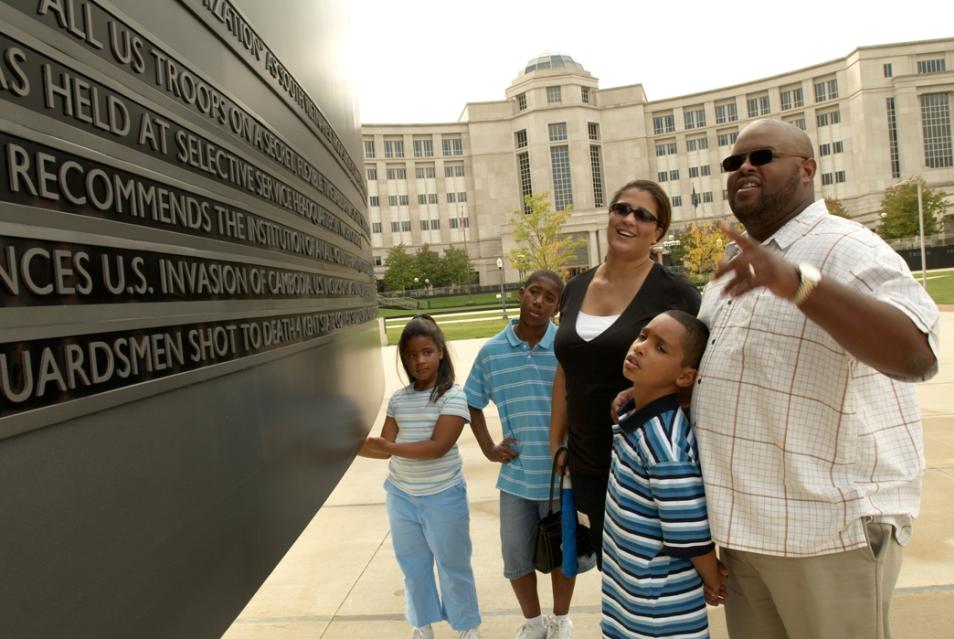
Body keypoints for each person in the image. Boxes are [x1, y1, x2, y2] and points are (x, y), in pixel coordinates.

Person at [692, 119, 940, 639]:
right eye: (733, 163)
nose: (744, 168)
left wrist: (799, 284)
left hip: (829, 533)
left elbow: (916, 354)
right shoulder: (733, 267)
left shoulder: (846, 246)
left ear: (806, 170)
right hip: (746, 534)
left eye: (761, 156)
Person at [551, 179, 701, 567]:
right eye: (621, 209)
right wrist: (557, 443)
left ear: (658, 231)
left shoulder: (676, 294)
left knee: (654, 582)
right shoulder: (575, 288)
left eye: (642, 215)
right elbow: (566, 370)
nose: (628, 219)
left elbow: (697, 376)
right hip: (587, 465)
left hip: (646, 467)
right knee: (614, 579)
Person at [465, 270, 592, 639]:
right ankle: (534, 623)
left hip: (560, 476)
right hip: (517, 479)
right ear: (521, 294)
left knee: (563, 556)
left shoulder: (565, 348)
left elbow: (584, 400)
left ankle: (561, 619)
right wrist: (489, 448)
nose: (539, 301)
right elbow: (472, 402)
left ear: (557, 307)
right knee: (516, 558)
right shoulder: (492, 352)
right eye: (534, 292)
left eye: (549, 297)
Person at [602, 310, 725, 639]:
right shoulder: (634, 417)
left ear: (685, 377)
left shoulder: (664, 445)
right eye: (643, 336)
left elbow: (689, 531)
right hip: (627, 598)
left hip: (661, 612)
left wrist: (713, 580)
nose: (641, 347)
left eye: (660, 348)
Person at [358, 315, 482, 639]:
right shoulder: (399, 400)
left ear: (440, 352)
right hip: (401, 496)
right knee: (412, 565)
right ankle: (421, 624)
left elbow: (437, 447)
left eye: (426, 352)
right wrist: (345, 447)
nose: (419, 361)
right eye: (411, 355)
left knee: (453, 565)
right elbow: (384, 450)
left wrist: (390, 445)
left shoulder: (453, 396)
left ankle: (466, 627)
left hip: (443, 496)